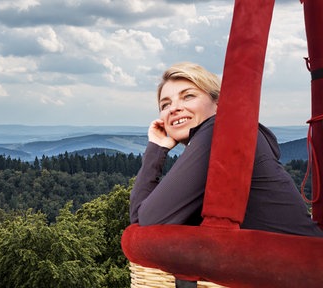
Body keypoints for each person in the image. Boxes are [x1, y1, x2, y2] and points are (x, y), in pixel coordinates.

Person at [129, 62, 323, 287]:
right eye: (165, 104)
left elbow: (149, 222)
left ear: (219, 104)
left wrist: (155, 150)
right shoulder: (224, 141)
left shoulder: (217, 130)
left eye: (188, 96)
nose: (174, 108)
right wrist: (157, 145)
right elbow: (139, 219)